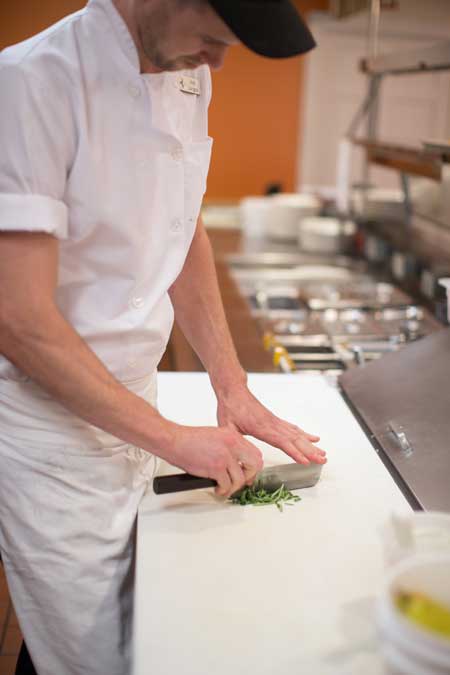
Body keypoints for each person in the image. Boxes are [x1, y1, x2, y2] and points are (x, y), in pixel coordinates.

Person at [0, 1, 326, 673]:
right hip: (53, 435)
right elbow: (17, 319)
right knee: (95, 655)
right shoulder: (30, 83)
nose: (217, 62)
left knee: (148, 626)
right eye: (212, 39)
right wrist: (173, 437)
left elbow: (184, 223)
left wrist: (232, 387)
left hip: (137, 406)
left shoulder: (187, 69)